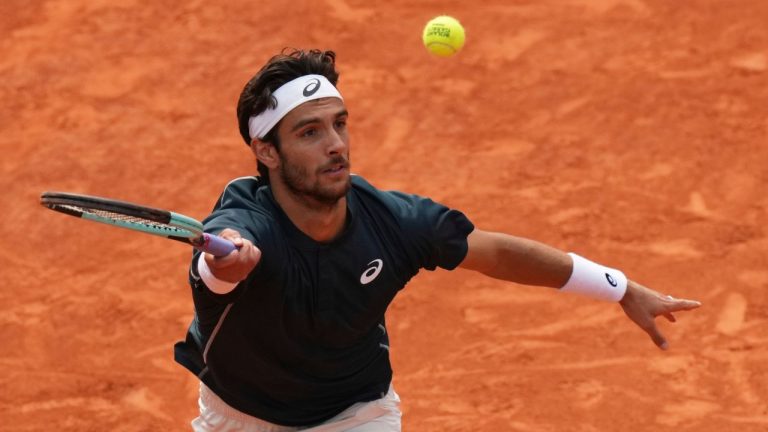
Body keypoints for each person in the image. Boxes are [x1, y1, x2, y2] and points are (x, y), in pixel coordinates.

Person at [174, 48, 701, 431]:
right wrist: (226, 265)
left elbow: (496, 253)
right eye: (310, 133)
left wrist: (618, 286)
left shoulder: (396, 222)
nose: (336, 145)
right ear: (266, 152)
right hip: (239, 417)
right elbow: (219, 263)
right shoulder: (246, 220)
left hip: (355, 414)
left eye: (339, 124)